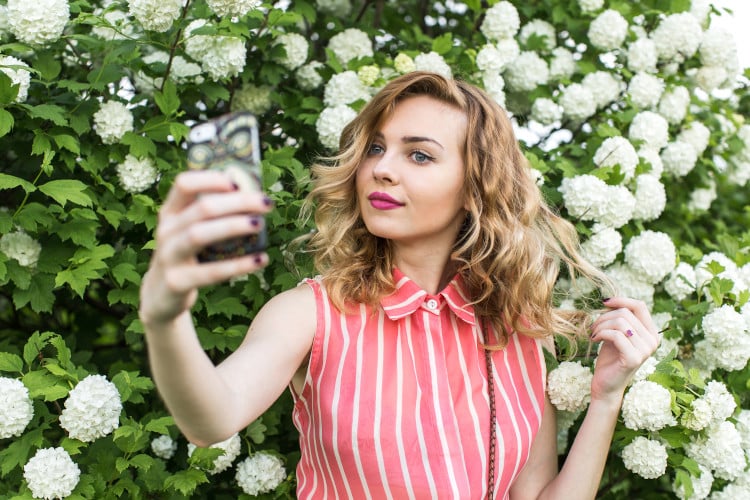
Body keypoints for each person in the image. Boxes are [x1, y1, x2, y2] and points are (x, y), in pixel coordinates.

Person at [139, 71, 660, 499]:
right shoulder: (311, 312)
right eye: (375, 148)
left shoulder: (516, 329)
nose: (382, 169)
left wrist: (606, 398)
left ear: (475, 186)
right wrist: (165, 318)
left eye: (419, 155)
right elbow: (211, 419)